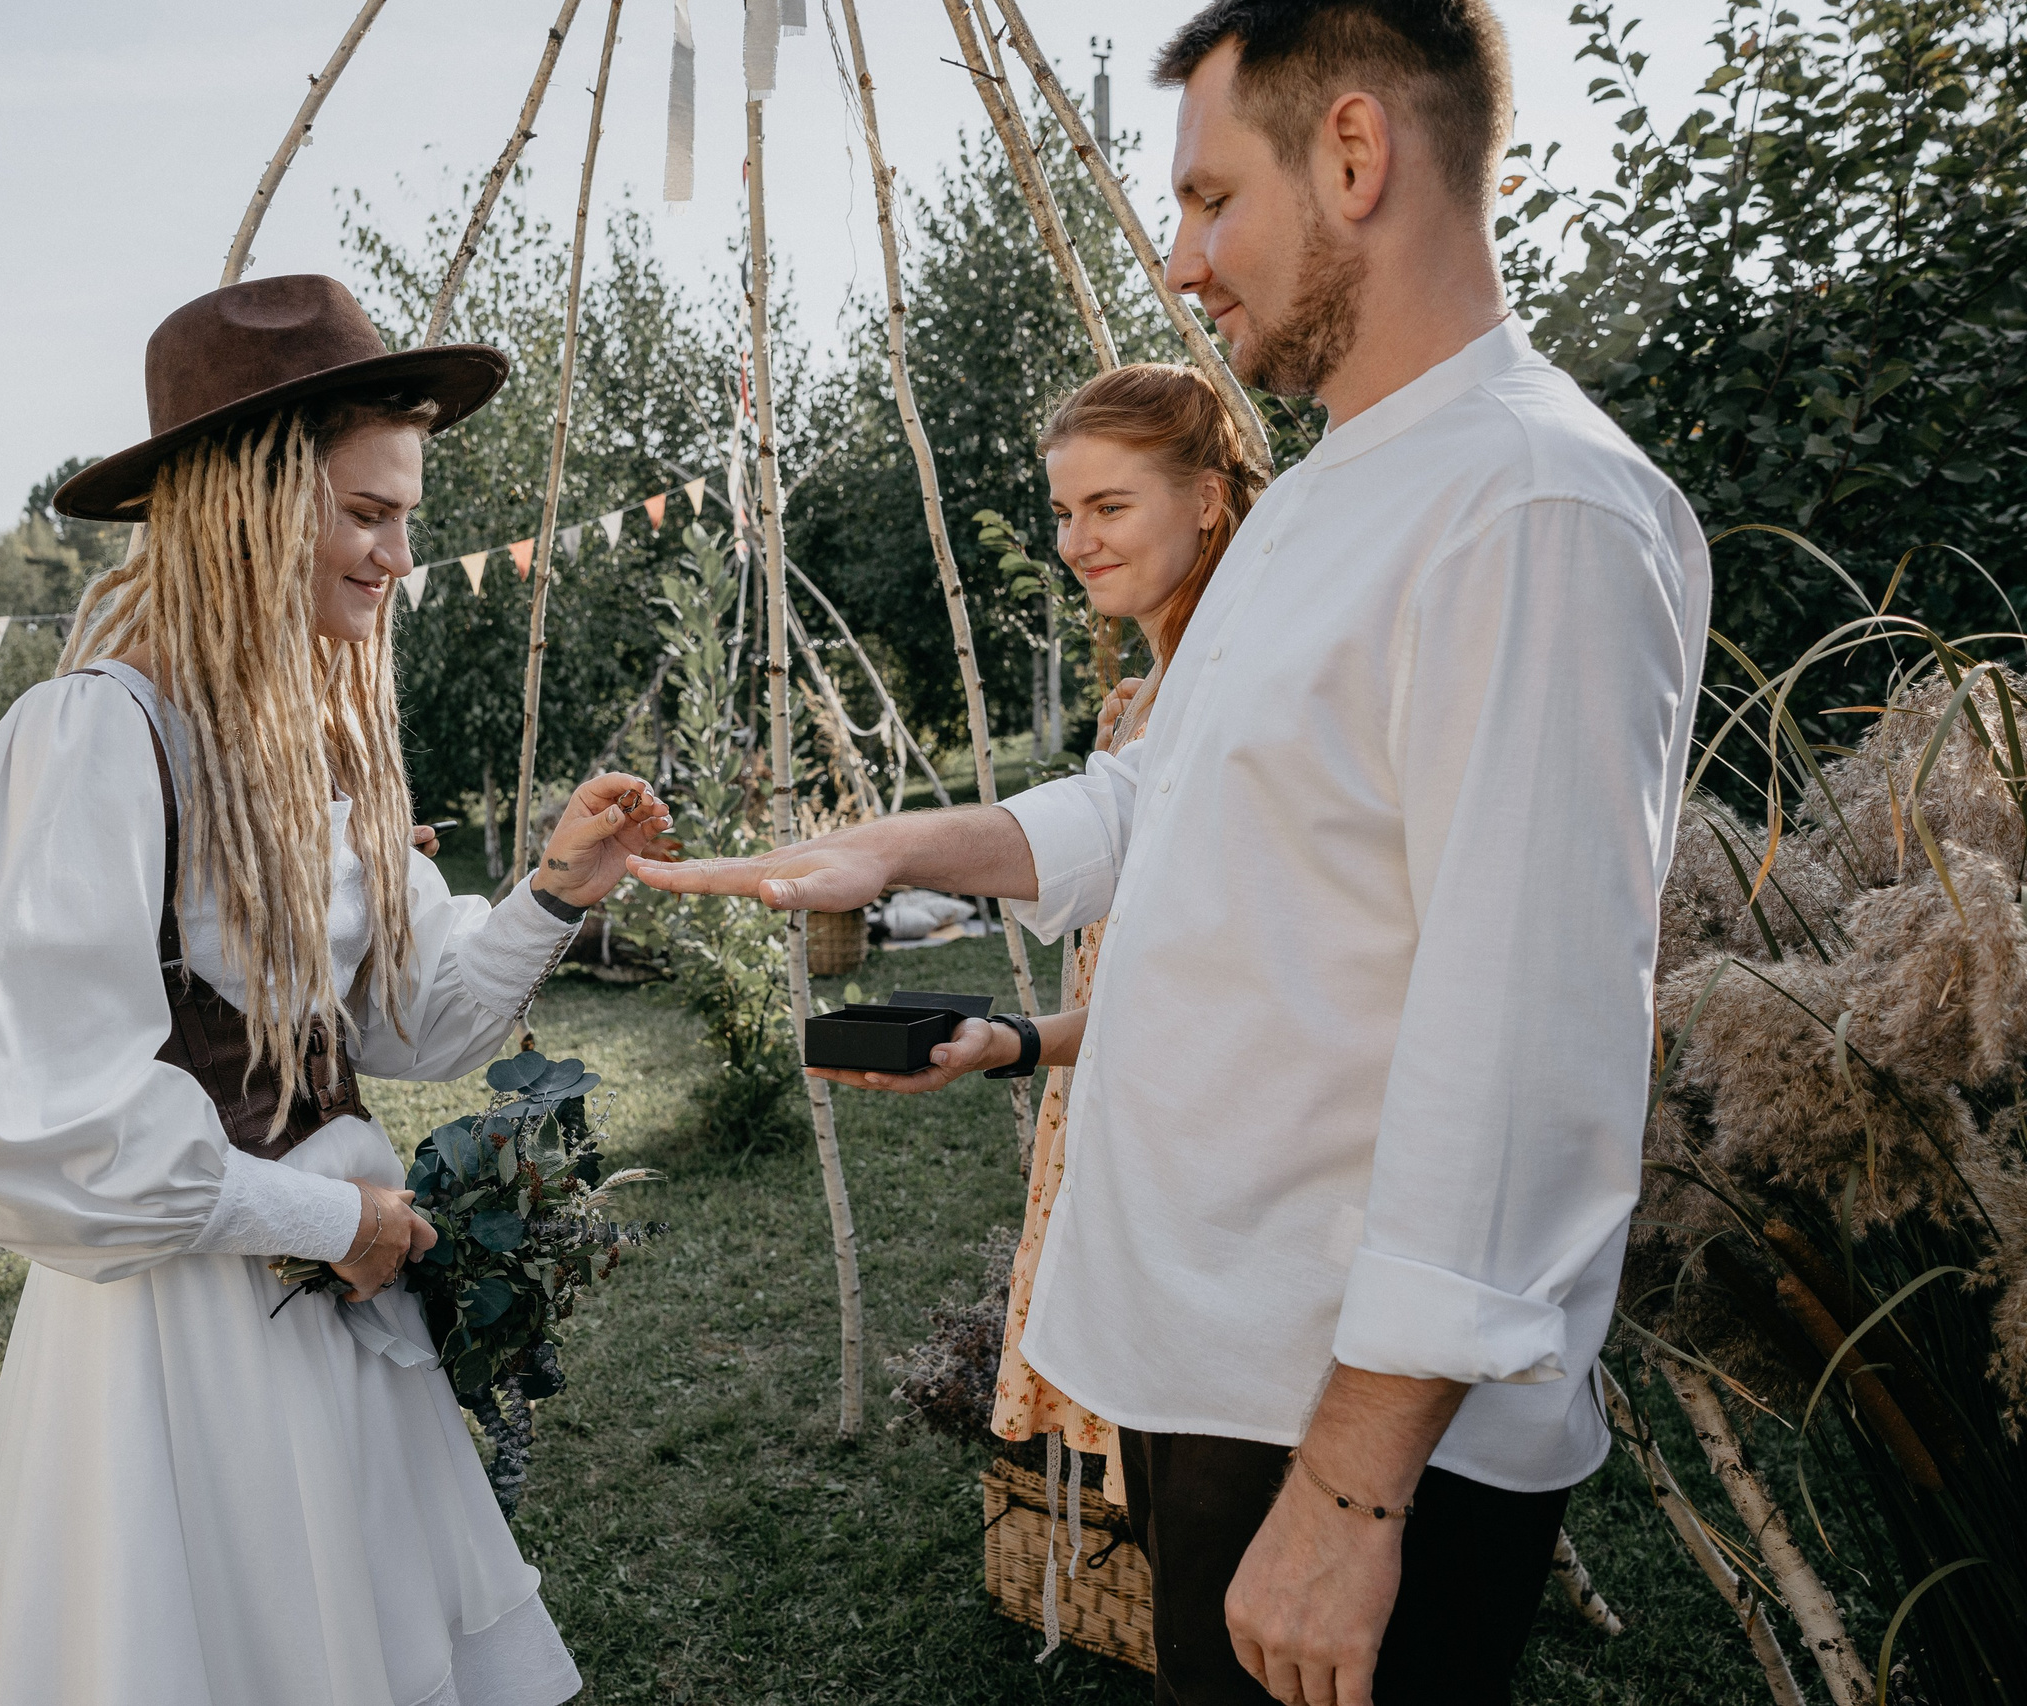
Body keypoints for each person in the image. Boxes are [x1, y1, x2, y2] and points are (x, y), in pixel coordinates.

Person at [632, 1, 1712, 1700]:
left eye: (1212, 200)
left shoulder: (1533, 503)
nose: (1185, 259)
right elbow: (1160, 804)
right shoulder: (1346, 491)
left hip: (1346, 1415)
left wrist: (1355, 1490)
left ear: (1354, 154)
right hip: (1221, 1358)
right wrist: (903, 848)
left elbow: (1530, 1030)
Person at [0, 273, 673, 1706]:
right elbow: (35, 1130)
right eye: (365, 513)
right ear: (249, 501)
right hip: (186, 1349)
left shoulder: (308, 731)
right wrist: (326, 1217)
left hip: (333, 1306)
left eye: (408, 516)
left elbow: (406, 1024)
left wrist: (555, 891)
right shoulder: (96, 737)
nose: (399, 554)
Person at [824, 365, 1266, 1522]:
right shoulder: (1146, 700)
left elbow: (1231, 994)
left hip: (1214, 1161)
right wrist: (1010, 1043)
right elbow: (1141, 985)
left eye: (1109, 506)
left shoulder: (1242, 692)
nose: (1075, 539)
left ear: (1208, 498)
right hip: (1117, 1109)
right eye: (1063, 511)